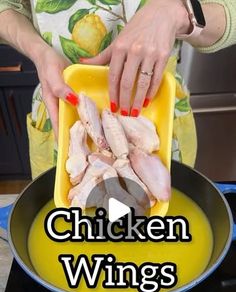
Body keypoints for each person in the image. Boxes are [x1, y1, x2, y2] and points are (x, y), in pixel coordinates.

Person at [0, 0, 236, 179]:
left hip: (155, 113)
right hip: (61, 103)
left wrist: (177, 11)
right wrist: (38, 51)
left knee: (156, 228)